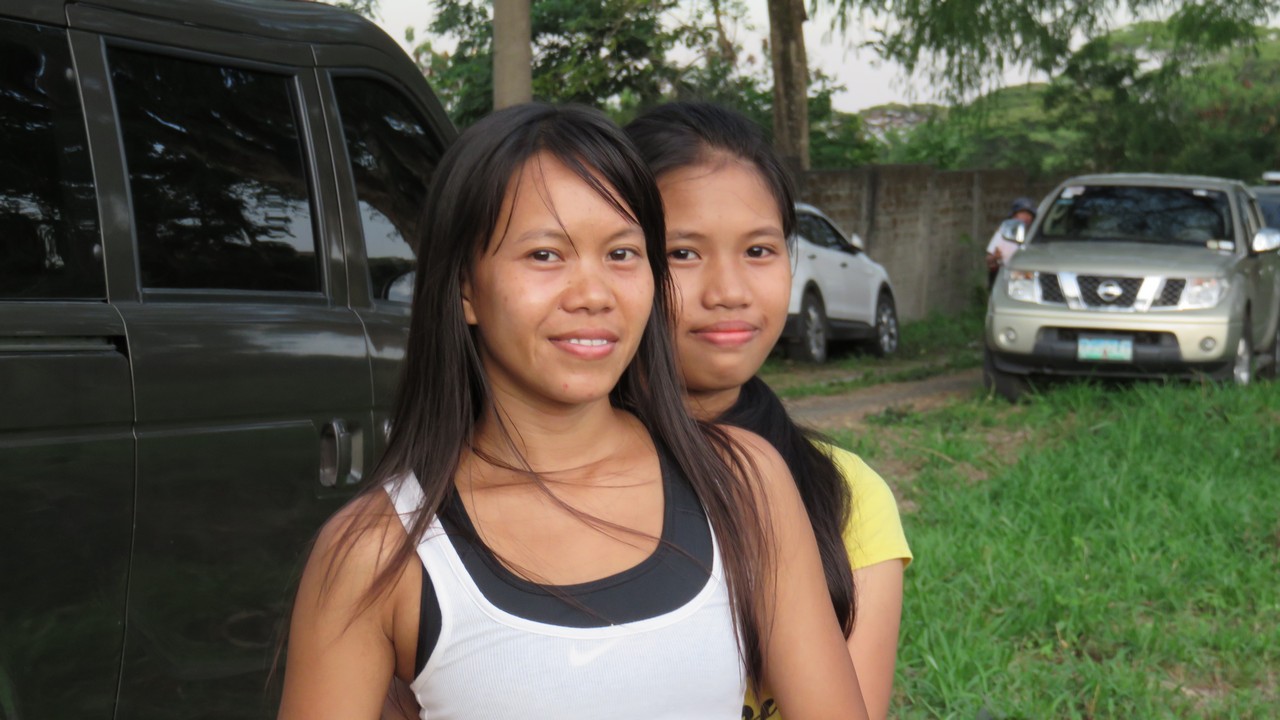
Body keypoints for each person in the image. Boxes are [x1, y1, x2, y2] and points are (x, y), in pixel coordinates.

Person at [277, 103, 866, 720]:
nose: (593, 295)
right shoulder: (377, 552)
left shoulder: (742, 483)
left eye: (622, 254)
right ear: (465, 288)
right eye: (545, 255)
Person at [624, 103, 912, 720]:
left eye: (759, 250)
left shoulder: (847, 495)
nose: (730, 292)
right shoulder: (545, 484)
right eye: (683, 253)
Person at [986, 196, 1037, 288]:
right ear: (1014, 216)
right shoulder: (1004, 231)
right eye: (1022, 213)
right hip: (1007, 277)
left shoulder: (1035, 234)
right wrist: (995, 257)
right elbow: (989, 259)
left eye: (1029, 214)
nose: (1026, 217)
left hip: (1028, 280)